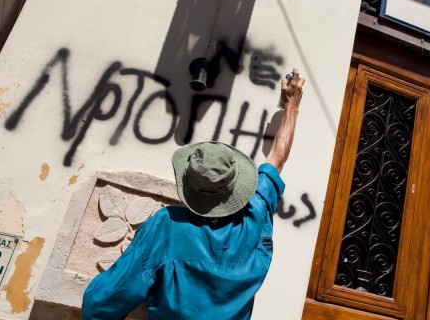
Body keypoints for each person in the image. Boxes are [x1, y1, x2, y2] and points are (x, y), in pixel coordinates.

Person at [81, 69, 305, 320]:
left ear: (187, 186)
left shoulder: (166, 225)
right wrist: (292, 105)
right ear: (235, 184)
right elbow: (277, 159)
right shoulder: (255, 214)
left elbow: (104, 303)